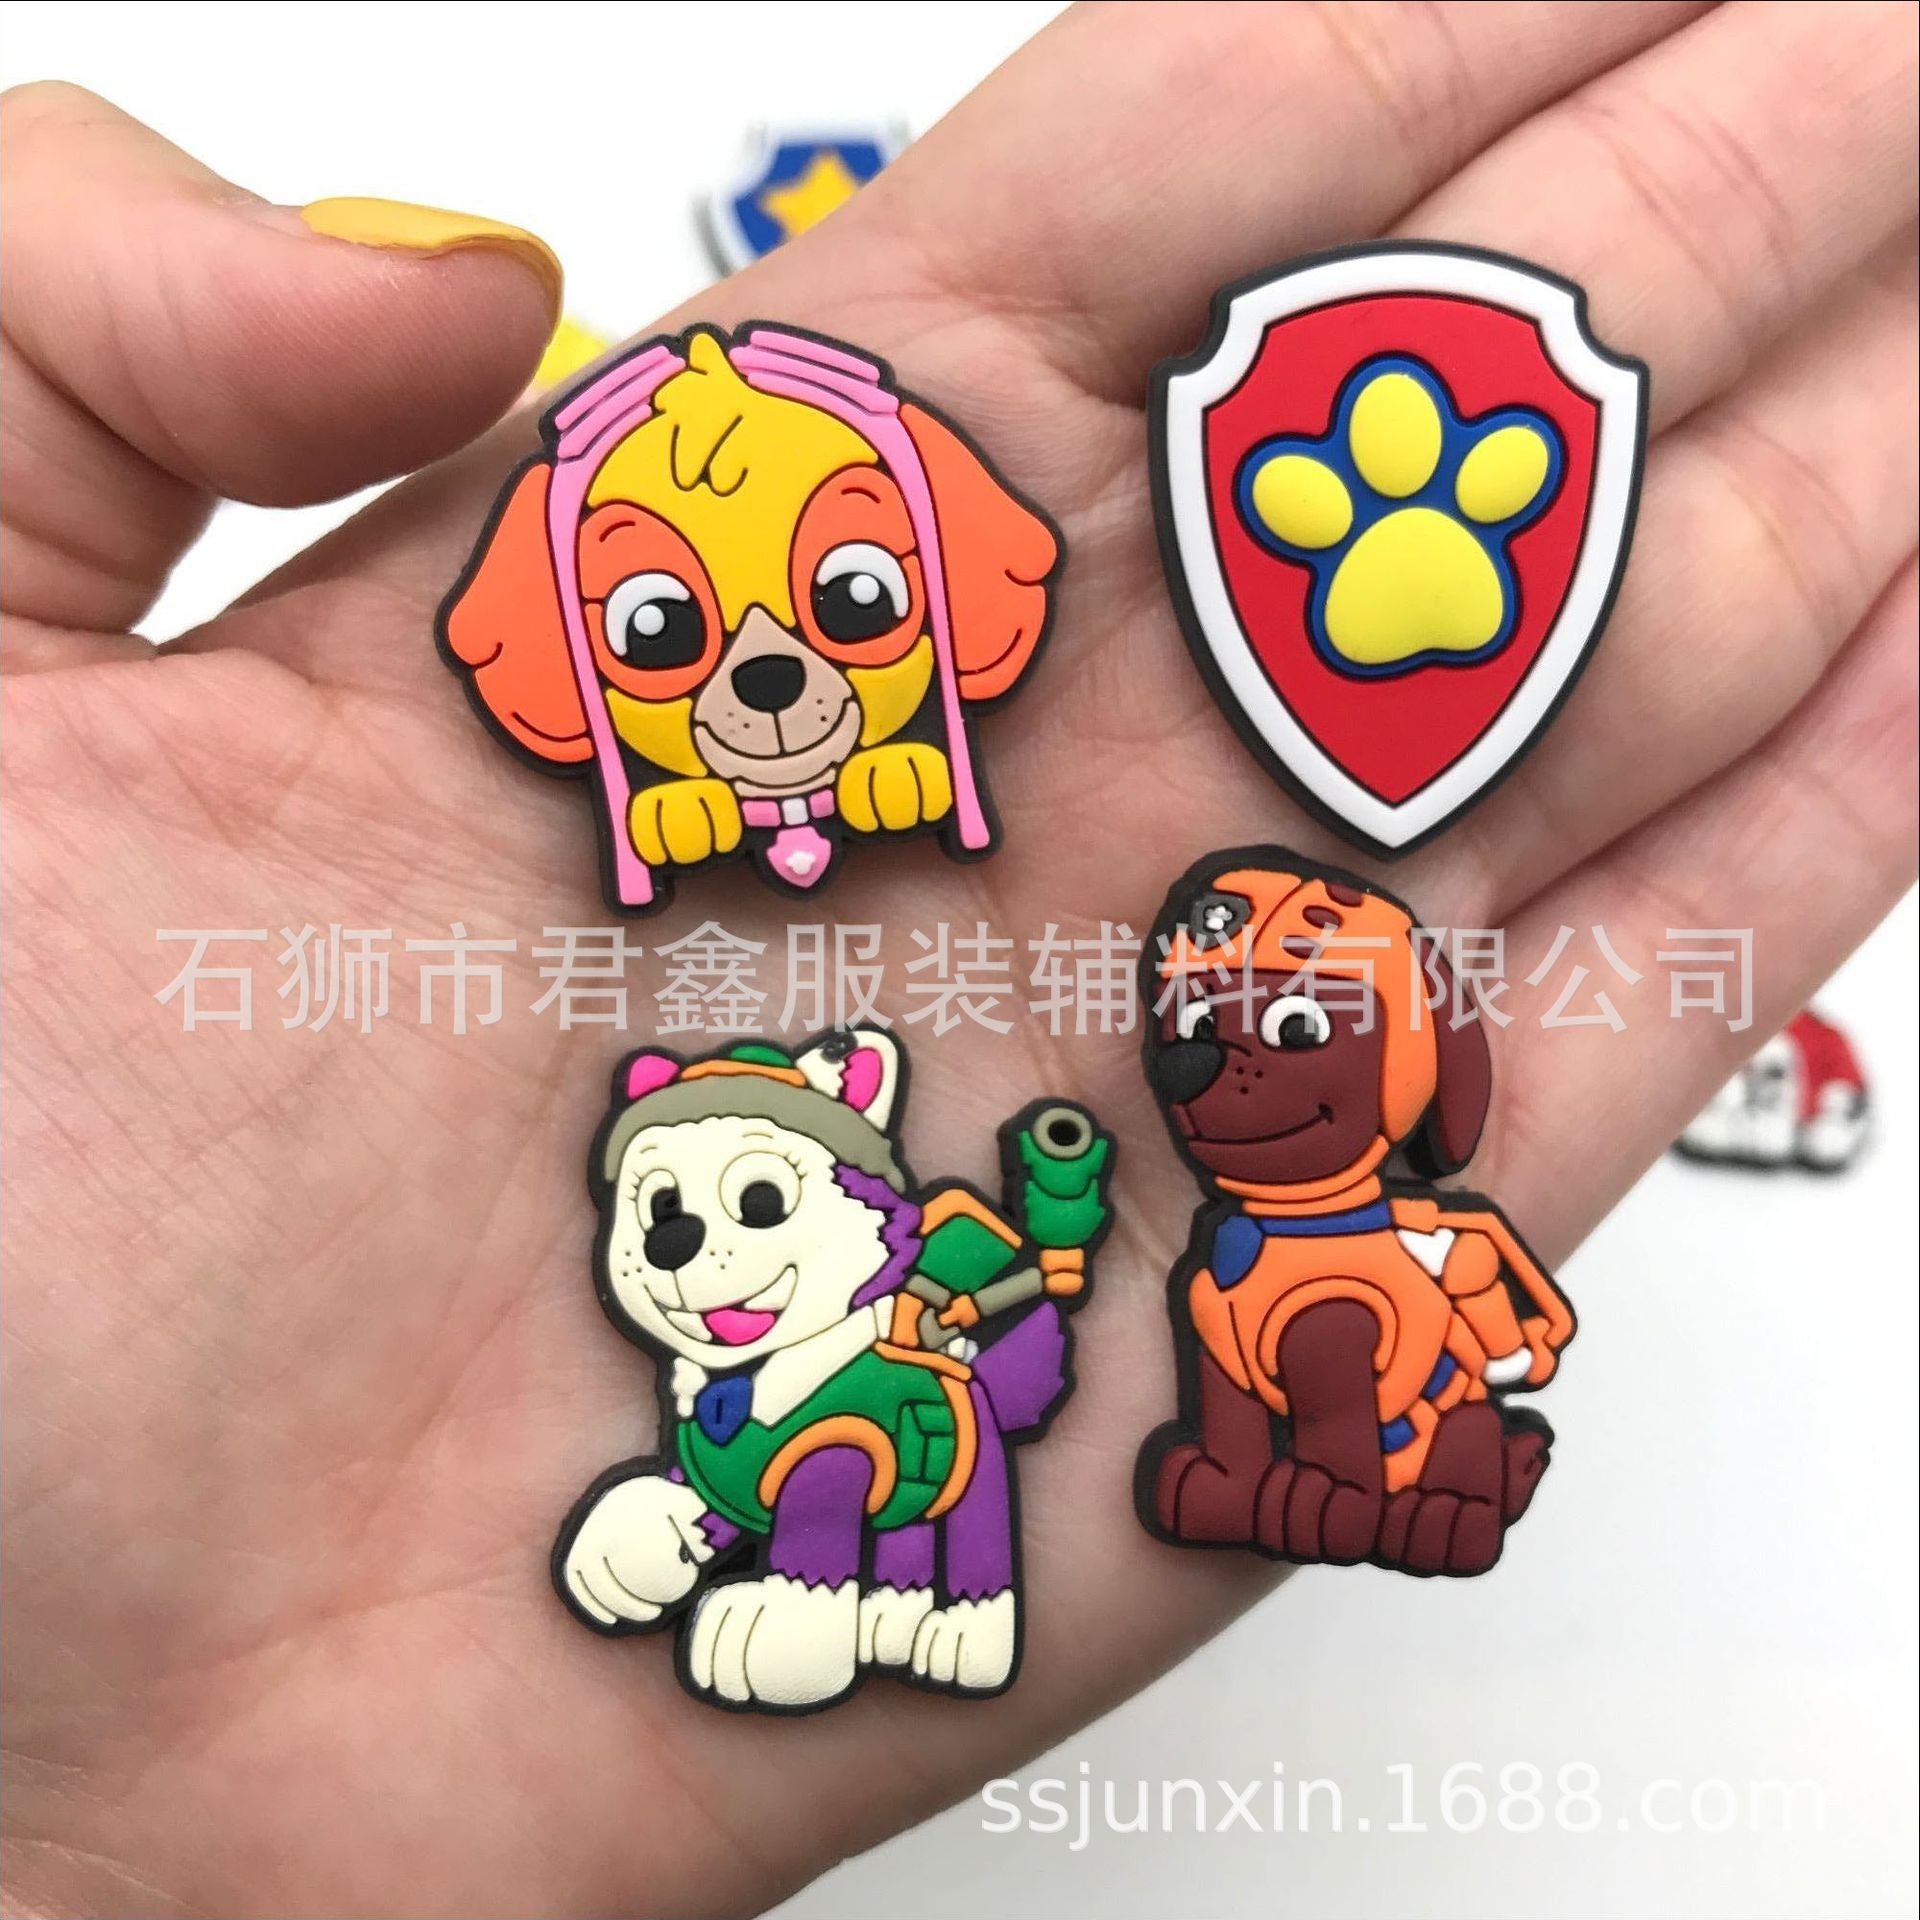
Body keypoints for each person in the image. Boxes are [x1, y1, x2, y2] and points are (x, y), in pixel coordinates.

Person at [1, 4, 1914, 1913]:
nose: (695, 1260)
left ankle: (943, 1584)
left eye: (849, 596)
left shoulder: (976, 1228)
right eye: (659, 630)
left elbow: (1078, 1279)